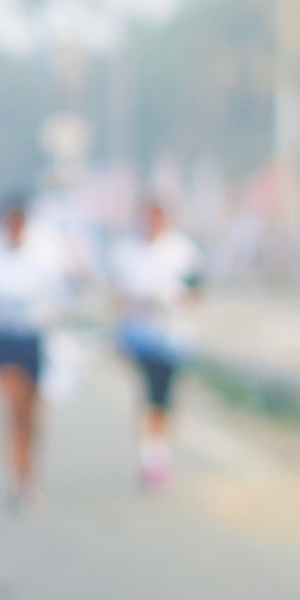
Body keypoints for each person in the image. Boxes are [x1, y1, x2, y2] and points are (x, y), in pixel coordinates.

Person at [0, 195, 75, 507]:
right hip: (3, 340)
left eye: (19, 222)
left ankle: (30, 473)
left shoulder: (44, 254)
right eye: (9, 223)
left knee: (31, 414)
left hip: (34, 340)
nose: (14, 229)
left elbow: (62, 294)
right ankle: (20, 481)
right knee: (14, 407)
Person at [108, 196, 203, 490]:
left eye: (157, 217)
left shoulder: (183, 251)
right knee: (149, 393)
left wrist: (173, 297)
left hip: (174, 335)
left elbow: (196, 292)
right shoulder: (126, 252)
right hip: (140, 334)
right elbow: (115, 295)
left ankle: (158, 453)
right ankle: (151, 458)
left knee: (165, 397)